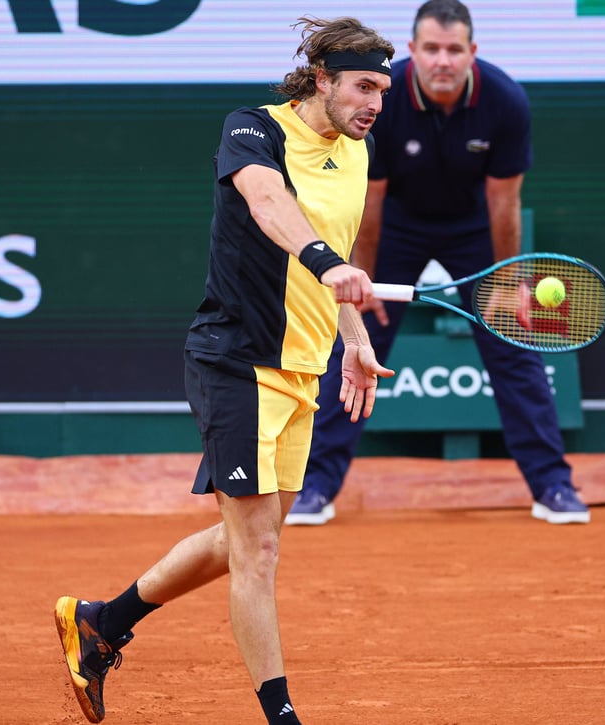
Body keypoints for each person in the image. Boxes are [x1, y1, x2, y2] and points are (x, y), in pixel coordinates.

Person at [53, 17, 396, 725]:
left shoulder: (358, 151)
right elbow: (272, 206)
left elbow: (337, 248)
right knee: (259, 548)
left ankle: (101, 621)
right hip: (236, 358)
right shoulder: (252, 128)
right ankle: (283, 716)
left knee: (246, 535)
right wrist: (331, 266)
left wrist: (354, 335)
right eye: (363, 86)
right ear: (323, 78)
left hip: (305, 369)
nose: (374, 103)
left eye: (384, 91)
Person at [286, 0, 589, 528]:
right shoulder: (385, 99)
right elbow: (369, 200)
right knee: (355, 345)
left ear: (471, 52)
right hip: (396, 225)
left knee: (514, 349)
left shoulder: (505, 101)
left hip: (473, 229)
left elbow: (504, 203)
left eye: (454, 50)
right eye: (431, 49)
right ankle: (316, 486)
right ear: (413, 51)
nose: (442, 60)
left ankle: (553, 486)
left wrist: (507, 282)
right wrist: (365, 282)